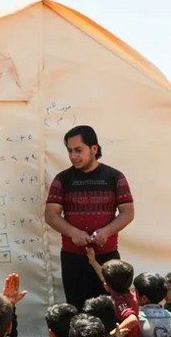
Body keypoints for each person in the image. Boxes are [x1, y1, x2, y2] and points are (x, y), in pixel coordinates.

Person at [45, 125, 135, 309]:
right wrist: (73, 232)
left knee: (108, 308)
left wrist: (106, 231)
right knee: (76, 307)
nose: (73, 156)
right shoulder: (62, 179)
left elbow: (128, 212)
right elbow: (50, 214)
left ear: (94, 149)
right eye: (69, 151)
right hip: (72, 257)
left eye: (78, 150)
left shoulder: (115, 177)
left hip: (107, 257)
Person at [86, 250, 141, 337]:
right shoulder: (129, 293)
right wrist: (93, 261)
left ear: (106, 285)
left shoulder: (119, 301)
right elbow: (104, 278)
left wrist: (112, 335)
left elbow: (132, 319)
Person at [134, 272, 171, 337]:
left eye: (135, 292)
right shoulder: (170, 316)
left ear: (144, 298)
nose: (133, 295)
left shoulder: (139, 318)